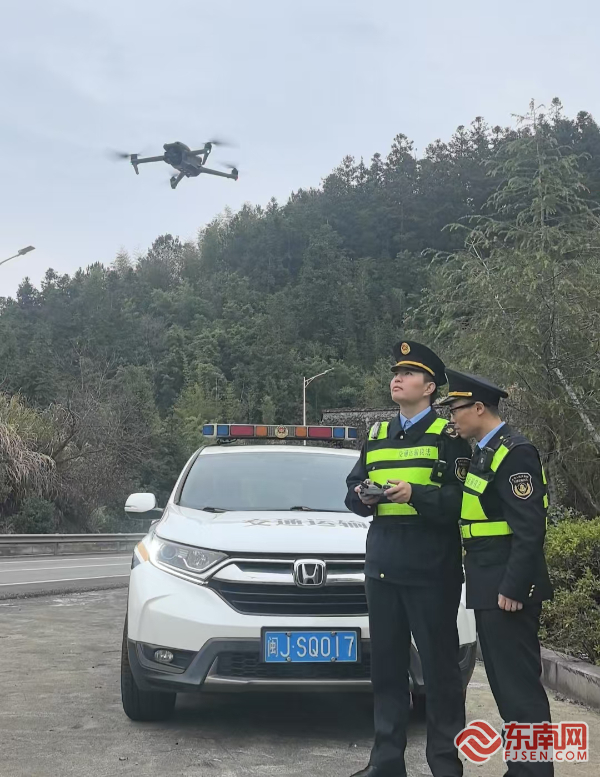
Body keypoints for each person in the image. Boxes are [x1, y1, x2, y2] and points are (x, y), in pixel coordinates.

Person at [346, 341, 472, 777]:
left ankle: (445, 764)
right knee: (386, 671)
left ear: (429, 387)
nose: (397, 379)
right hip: (382, 569)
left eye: (408, 373)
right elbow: (352, 490)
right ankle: (385, 763)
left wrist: (415, 495)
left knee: (440, 673)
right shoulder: (377, 434)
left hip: (432, 571)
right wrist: (362, 497)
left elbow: (461, 501)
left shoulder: (449, 437)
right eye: (395, 372)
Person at [439, 370, 553, 777]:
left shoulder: (515, 452)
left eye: (455, 409)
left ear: (478, 408)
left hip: (507, 588)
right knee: (506, 689)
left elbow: (530, 528)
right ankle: (521, 769)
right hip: (488, 583)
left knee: (520, 691)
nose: (452, 417)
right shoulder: (485, 452)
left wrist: (515, 586)